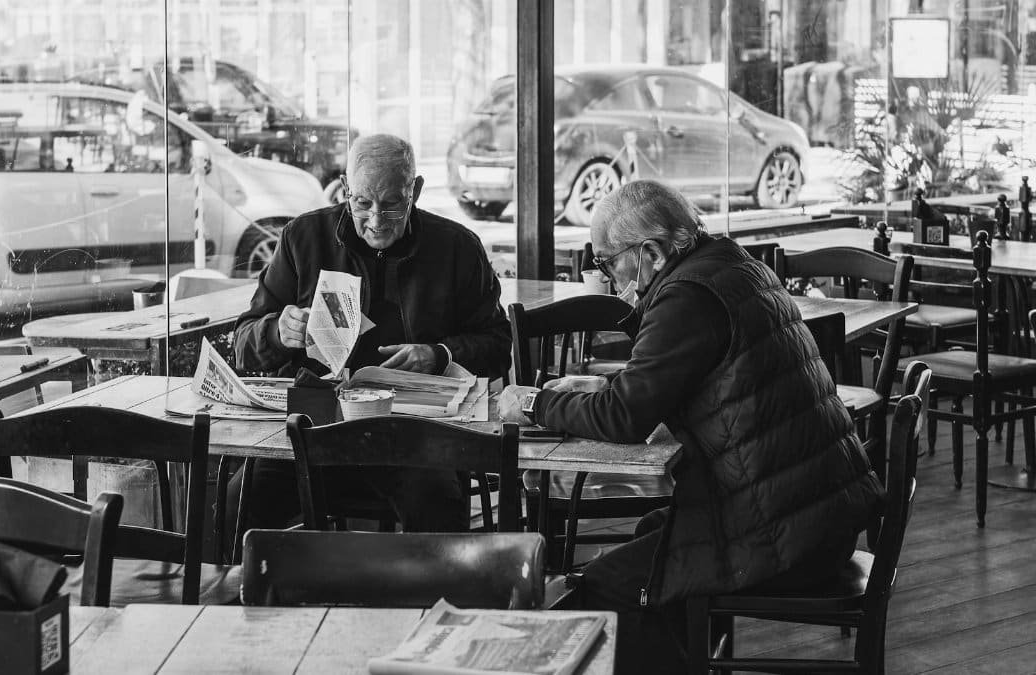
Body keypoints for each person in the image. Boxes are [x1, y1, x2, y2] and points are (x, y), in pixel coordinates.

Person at [500, 180, 882, 672]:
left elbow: (624, 416)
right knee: (652, 533)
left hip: (785, 535)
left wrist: (535, 401)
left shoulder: (687, 296)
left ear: (652, 253)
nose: (607, 277)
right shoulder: (733, 266)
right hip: (820, 514)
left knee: (599, 591)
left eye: (607, 262)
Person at [224, 133, 511, 539]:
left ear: (416, 191)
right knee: (234, 509)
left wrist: (439, 354)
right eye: (362, 203)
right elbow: (242, 344)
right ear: (345, 189)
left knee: (437, 512)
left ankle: (435, 603)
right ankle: (222, 600)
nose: (376, 220)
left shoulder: (457, 248)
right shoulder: (303, 239)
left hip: (414, 435)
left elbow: (498, 345)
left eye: (393, 203)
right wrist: (276, 332)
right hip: (314, 427)